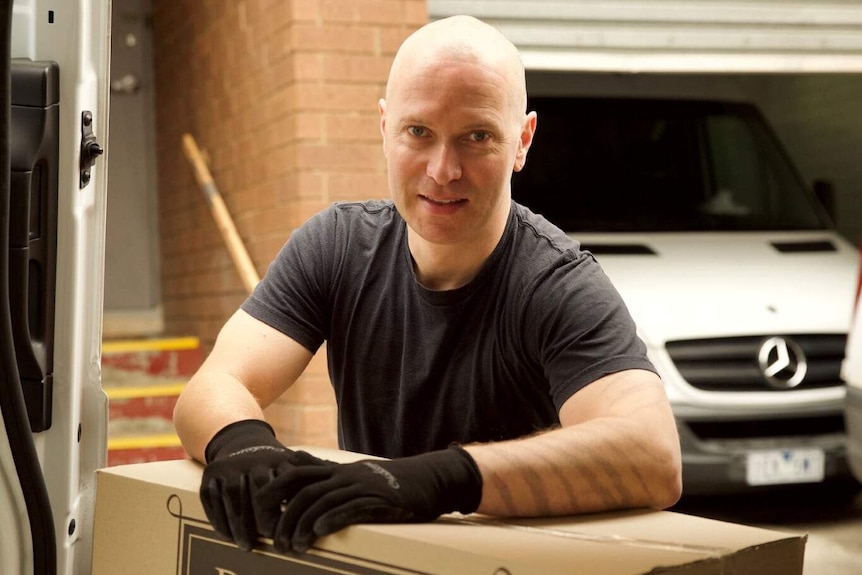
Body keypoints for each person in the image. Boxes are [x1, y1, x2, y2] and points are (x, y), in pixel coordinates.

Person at [173, 14, 682, 555]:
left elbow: (653, 455)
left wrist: (439, 480)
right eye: (419, 132)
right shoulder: (338, 246)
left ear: (522, 142)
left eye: (477, 137)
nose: (443, 170)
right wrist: (242, 446)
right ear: (385, 130)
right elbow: (214, 385)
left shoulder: (555, 282)